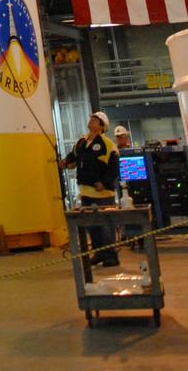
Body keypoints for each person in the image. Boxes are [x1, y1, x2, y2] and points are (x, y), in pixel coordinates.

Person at [59, 111, 120, 266]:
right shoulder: (81, 142)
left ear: (102, 126)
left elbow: (114, 169)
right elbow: (73, 156)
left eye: (95, 119)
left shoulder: (108, 145)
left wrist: (103, 183)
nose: (91, 121)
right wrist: (65, 162)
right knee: (92, 226)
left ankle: (110, 256)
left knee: (106, 225)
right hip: (86, 193)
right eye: (91, 118)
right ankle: (99, 253)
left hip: (103, 194)